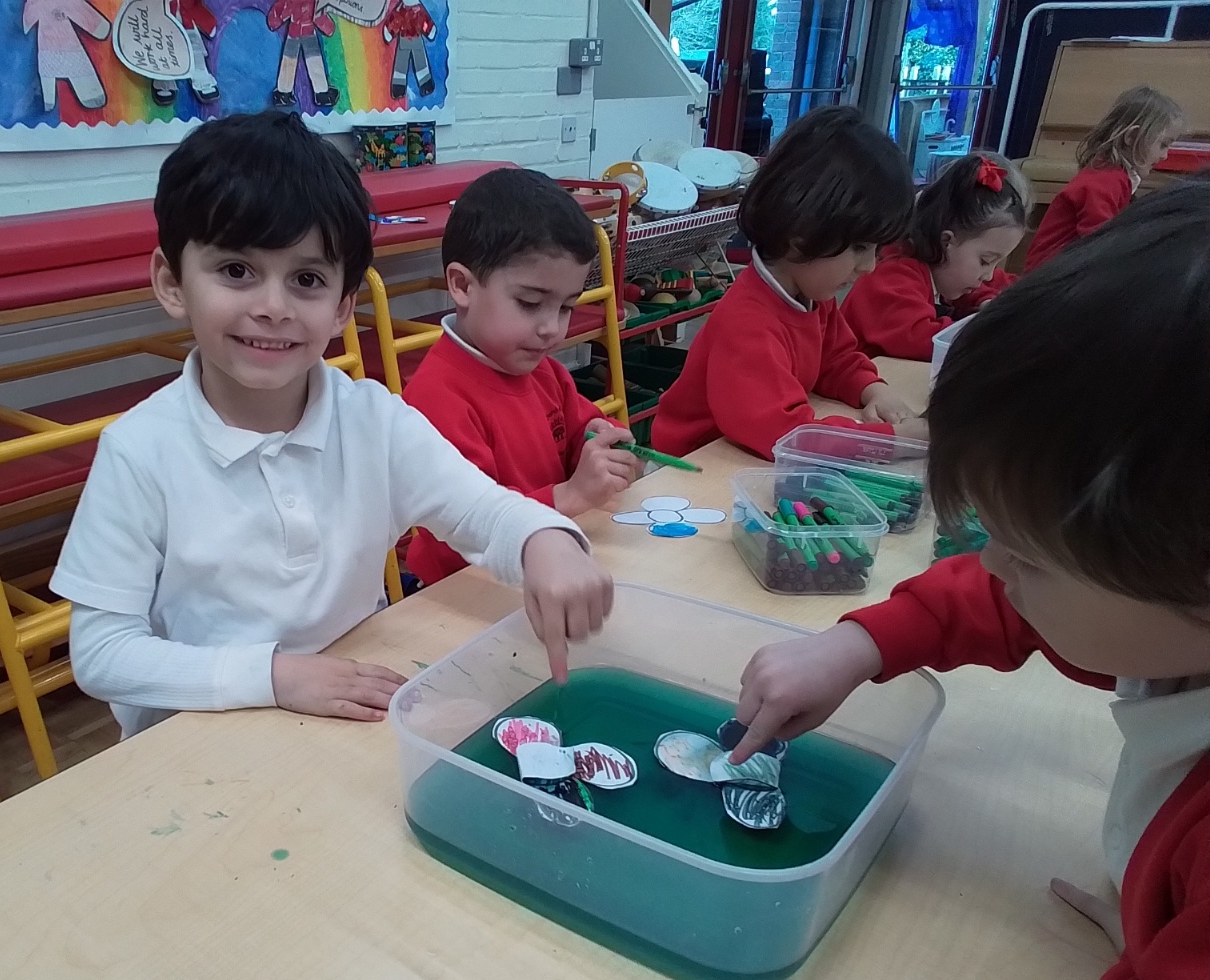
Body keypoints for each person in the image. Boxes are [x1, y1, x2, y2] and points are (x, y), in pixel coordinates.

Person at [727, 181, 1210, 980]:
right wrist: (859, 644)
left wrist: (1148, 962)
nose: (994, 570)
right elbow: (1004, 606)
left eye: (1026, 554)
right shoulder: (1166, 615)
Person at [51, 111, 614, 737]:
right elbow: (102, 654)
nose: (272, 308)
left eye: (307, 280)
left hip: (350, 715)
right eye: (236, 270)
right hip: (200, 739)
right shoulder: (138, 451)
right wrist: (276, 677)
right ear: (172, 281)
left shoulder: (373, 420)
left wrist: (544, 540)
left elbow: (483, 511)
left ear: (345, 304)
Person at [402, 168, 640, 586]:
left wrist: (605, 442)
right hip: (462, 590)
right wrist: (572, 495)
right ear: (462, 286)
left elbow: (581, 430)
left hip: (546, 562)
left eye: (566, 307)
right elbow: (461, 535)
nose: (552, 329)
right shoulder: (434, 399)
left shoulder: (543, 371)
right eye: (530, 303)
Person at [649, 107, 924, 461]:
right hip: (689, 467)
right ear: (801, 234)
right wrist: (890, 441)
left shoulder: (812, 294)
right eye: (859, 247)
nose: (869, 267)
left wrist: (873, 390)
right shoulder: (747, 325)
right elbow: (787, 437)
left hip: (744, 457)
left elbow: (836, 359)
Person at [842, 152, 1028, 361]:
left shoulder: (936, 267)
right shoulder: (893, 273)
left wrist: (988, 301)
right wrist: (987, 332)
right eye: (985, 261)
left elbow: (978, 289)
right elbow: (921, 339)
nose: (988, 275)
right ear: (946, 241)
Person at [1022, 85, 1185, 271]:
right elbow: (1101, 244)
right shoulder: (1105, 181)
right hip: (1052, 276)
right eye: (1163, 145)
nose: (1165, 156)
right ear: (1131, 137)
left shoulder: (1113, 175)